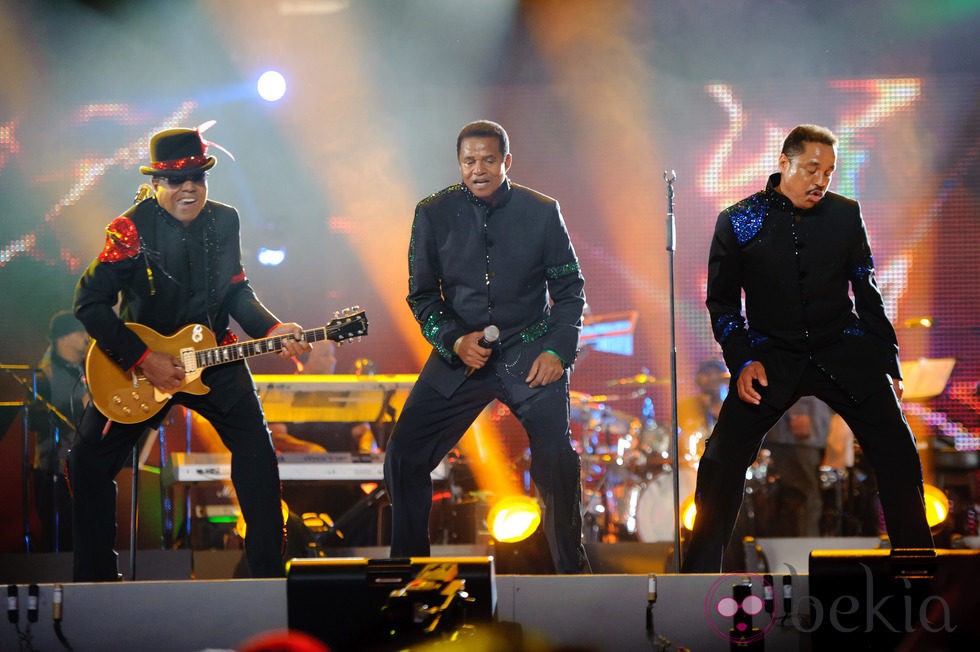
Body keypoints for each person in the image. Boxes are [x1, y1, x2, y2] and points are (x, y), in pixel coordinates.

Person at [682, 124, 933, 572]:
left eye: (829, 172)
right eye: (812, 169)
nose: (821, 180)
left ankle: (916, 569)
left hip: (842, 345)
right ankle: (698, 578)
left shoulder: (845, 214)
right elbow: (721, 302)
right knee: (720, 460)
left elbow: (867, 290)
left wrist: (887, 362)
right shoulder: (739, 219)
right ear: (784, 163)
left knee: (898, 449)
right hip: (772, 355)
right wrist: (742, 360)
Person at [69, 127, 310, 581]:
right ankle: (96, 582)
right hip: (143, 367)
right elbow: (89, 303)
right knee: (86, 462)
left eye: (198, 178)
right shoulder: (130, 228)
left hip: (213, 357)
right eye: (178, 180)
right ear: (157, 184)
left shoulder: (224, 221)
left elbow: (236, 291)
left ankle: (267, 578)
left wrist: (275, 328)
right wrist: (143, 359)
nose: (190, 188)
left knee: (257, 452)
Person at [384, 120, 590, 573]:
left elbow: (571, 289)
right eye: (469, 161)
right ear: (459, 163)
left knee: (557, 461)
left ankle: (573, 578)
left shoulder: (541, 210)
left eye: (489, 160)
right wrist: (454, 340)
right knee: (403, 454)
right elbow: (421, 296)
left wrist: (558, 351)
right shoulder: (432, 212)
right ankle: (409, 575)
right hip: (462, 356)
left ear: (506, 162)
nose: (479, 169)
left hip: (530, 353)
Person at [32, 311, 90, 551]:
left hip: (84, 464)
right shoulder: (43, 375)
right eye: (80, 332)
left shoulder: (87, 371)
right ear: (63, 338)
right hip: (52, 469)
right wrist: (78, 406)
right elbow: (34, 420)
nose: (87, 338)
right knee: (59, 534)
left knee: (86, 530)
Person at [762, 396, 833, 537]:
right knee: (807, 498)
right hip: (797, 439)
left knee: (800, 497)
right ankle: (806, 549)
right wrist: (798, 413)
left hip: (800, 439)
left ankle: (801, 547)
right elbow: (797, 378)